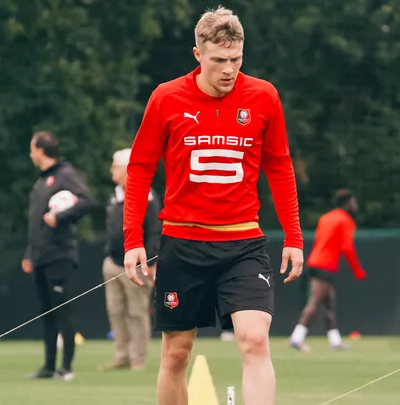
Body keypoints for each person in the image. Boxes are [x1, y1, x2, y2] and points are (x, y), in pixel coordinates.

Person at [121, 7, 304, 405]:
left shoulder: (264, 96)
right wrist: (133, 239)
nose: (228, 70)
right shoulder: (166, 97)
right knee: (176, 354)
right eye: (219, 60)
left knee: (255, 340)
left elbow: (280, 166)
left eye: (236, 59)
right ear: (197, 54)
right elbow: (139, 168)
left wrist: (294, 236)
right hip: (182, 246)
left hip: (244, 246)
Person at [22, 131, 96, 381]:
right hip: (41, 255)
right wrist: (29, 253)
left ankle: (66, 367)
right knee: (46, 313)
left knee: (63, 310)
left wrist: (60, 217)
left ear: (40, 151)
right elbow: (36, 223)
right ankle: (49, 366)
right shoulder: (41, 181)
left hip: (59, 255)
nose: (30, 154)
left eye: (32, 149)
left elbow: (86, 201)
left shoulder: (65, 174)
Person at [100, 148, 161, 371]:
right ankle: (121, 355)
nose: (111, 170)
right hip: (113, 262)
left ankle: (138, 358)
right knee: (115, 311)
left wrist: (151, 262)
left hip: (137, 265)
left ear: (128, 169)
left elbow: (155, 231)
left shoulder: (147, 195)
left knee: (137, 312)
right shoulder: (115, 195)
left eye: (115, 166)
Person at [288, 189, 366, 352]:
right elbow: (347, 248)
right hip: (326, 265)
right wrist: (357, 270)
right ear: (347, 203)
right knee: (314, 302)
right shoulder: (345, 221)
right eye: (353, 201)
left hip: (314, 262)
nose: (355, 205)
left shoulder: (325, 217)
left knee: (329, 303)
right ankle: (297, 337)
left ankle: (335, 340)